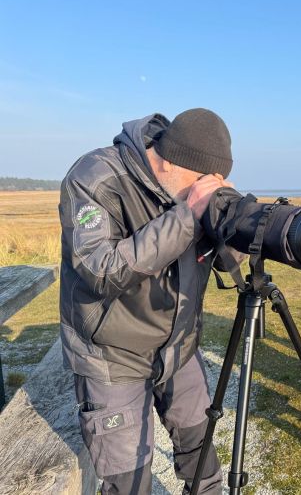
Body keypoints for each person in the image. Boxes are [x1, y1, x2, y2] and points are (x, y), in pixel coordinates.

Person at [59, 108, 235, 494]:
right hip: (112, 354)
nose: (208, 190)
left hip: (178, 347)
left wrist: (232, 224)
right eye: (202, 182)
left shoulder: (191, 189)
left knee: (201, 452)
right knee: (128, 480)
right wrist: (188, 215)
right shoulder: (95, 178)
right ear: (169, 162)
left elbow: (223, 261)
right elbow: (100, 270)